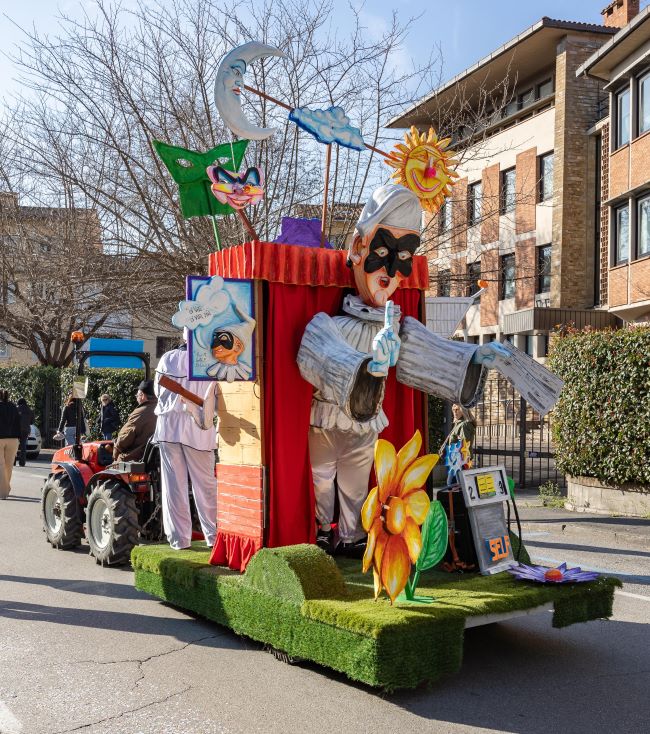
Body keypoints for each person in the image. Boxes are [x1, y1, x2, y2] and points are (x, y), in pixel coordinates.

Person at [297, 184, 508, 556]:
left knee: (356, 483)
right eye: (382, 252)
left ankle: (350, 536)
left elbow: (432, 351)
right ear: (359, 249)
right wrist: (368, 366)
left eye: (403, 257)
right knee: (321, 480)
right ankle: (319, 530)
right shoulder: (327, 323)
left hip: (365, 424)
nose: (391, 270)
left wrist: (475, 356)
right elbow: (320, 355)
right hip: (327, 421)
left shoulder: (396, 326)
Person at [154, 338, 218, 550]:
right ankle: (214, 535)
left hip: (169, 426)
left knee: (174, 487)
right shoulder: (210, 358)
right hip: (198, 429)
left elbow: (158, 392)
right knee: (205, 485)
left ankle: (180, 539)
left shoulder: (167, 358)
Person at [113, 380, 158, 462]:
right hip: (157, 458)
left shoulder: (140, 412)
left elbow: (124, 438)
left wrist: (115, 451)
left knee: (113, 466)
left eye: (137, 395)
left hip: (138, 458)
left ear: (142, 396)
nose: (136, 397)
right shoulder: (161, 409)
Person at [0, 390, 21, 499]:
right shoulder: (13, 407)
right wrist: (20, 438)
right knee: (9, 465)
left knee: (1, 465)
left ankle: (3, 492)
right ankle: (6, 488)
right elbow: (19, 422)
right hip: (13, 439)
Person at [16, 398, 35, 467]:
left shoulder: (16, 408)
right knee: (23, 446)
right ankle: (22, 462)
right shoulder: (30, 410)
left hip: (16, 429)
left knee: (15, 445)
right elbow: (32, 422)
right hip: (26, 430)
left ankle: (13, 461)